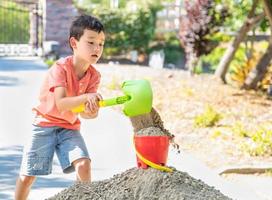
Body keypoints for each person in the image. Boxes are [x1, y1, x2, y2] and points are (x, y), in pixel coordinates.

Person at [15, 14, 105, 200]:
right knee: (27, 176)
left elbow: (85, 114)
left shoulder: (94, 76)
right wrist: (86, 97)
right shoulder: (60, 68)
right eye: (90, 42)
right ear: (74, 43)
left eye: (101, 44)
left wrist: (91, 111)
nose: (97, 48)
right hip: (44, 125)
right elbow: (62, 103)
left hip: (69, 128)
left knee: (84, 165)